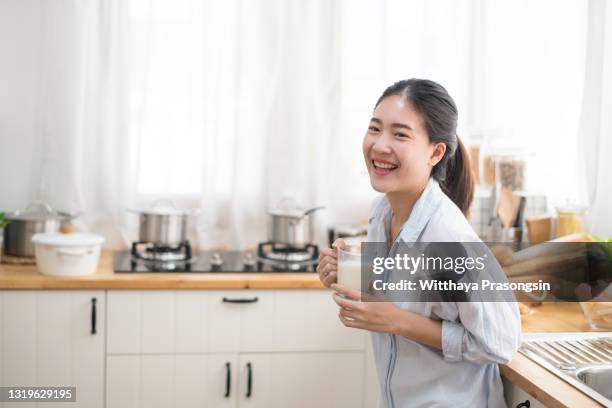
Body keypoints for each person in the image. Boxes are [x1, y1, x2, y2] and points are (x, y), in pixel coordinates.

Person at [317, 79, 521, 407]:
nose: (380, 145)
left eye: (400, 134)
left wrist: (397, 321)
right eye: (375, 128)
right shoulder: (383, 212)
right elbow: (398, 293)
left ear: (435, 152)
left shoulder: (450, 239)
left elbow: (500, 343)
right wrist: (346, 272)